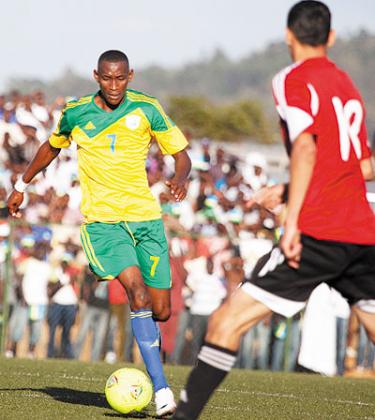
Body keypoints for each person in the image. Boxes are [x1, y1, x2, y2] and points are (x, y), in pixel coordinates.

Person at [172, 2, 375, 418]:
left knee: (225, 323)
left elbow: (304, 147)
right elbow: (364, 166)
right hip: (363, 233)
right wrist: (287, 189)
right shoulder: (347, 85)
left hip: (318, 231)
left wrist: (293, 220)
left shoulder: (292, 79)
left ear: (288, 35)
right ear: (332, 38)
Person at [7, 50, 191, 416]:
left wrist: (180, 177)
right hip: (104, 225)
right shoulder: (76, 112)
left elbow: (181, 153)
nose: (113, 85)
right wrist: (21, 184)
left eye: (120, 78)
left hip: (146, 220)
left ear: (130, 75)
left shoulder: (147, 108)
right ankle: (162, 390)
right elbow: (50, 147)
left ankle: (154, 367)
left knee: (162, 310)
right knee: (137, 293)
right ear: (96, 76)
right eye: (107, 78)